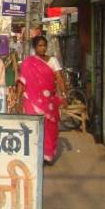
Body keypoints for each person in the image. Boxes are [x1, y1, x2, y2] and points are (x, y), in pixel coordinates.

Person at [14, 35, 65, 164]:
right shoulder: (28, 63)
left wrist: (64, 94)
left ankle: (47, 156)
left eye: (44, 45)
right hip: (32, 101)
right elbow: (22, 82)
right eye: (40, 46)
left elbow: (59, 78)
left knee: (50, 128)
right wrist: (18, 99)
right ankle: (35, 155)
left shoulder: (53, 61)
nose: (43, 48)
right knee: (34, 128)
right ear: (35, 47)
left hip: (49, 102)